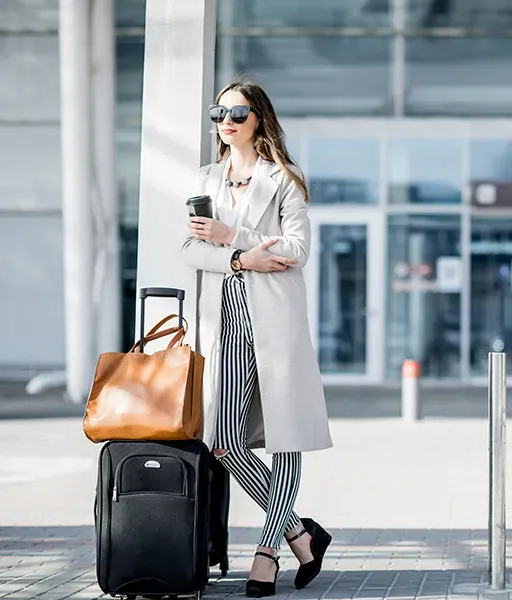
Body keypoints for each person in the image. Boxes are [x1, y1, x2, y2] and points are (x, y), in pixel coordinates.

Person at [181, 77, 333, 598]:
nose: (226, 122)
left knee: (284, 433)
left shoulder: (285, 179)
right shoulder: (207, 179)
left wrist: (232, 236)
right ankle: (299, 531)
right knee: (224, 441)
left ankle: (267, 550)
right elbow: (190, 250)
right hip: (222, 318)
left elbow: (296, 249)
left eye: (237, 113)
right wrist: (242, 255)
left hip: (274, 318)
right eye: (218, 113)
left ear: (259, 119)